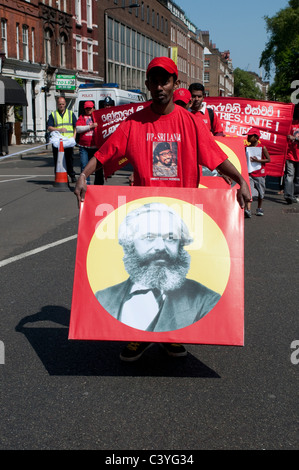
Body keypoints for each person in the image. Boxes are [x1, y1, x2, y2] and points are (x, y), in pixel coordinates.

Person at [74, 56, 251, 361]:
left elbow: (215, 157)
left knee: (175, 275)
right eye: (154, 81)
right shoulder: (134, 123)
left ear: (175, 84)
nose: (159, 87)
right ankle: (140, 336)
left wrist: (241, 181)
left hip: (181, 213)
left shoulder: (191, 122)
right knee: (145, 272)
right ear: (147, 85)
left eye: (165, 80)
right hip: (146, 211)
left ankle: (172, 333)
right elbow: (107, 152)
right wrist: (84, 174)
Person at [96, 203, 221, 335]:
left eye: (171, 238)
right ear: (130, 244)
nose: (161, 246)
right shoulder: (103, 298)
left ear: (181, 244)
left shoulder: (206, 300)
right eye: (149, 237)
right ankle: (137, 341)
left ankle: (172, 341)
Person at [47, 96, 77, 183]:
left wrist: (74, 137)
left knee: (69, 159)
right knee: (57, 160)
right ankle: (58, 177)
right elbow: (49, 127)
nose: (61, 105)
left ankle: (72, 175)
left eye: (63, 104)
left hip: (68, 141)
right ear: (57, 104)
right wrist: (59, 129)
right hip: (58, 141)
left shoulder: (70, 114)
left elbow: (76, 126)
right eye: (59, 104)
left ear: (65, 104)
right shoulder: (53, 114)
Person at [244, 127, 271, 218]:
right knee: (249, 191)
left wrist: (258, 160)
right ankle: (248, 209)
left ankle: (259, 208)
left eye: (249, 136)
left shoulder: (262, 148)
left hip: (260, 174)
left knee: (261, 192)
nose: (247, 138)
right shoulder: (246, 148)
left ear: (256, 137)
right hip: (249, 173)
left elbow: (268, 159)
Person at [76, 101, 104, 186]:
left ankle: (98, 185)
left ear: (93, 108)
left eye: (90, 108)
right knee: (84, 166)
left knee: (98, 167)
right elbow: (78, 129)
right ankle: (85, 184)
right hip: (84, 147)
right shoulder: (82, 117)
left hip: (95, 147)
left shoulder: (98, 116)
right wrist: (90, 126)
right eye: (87, 109)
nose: (88, 110)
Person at [284, 105, 299, 204]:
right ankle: (288, 195)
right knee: (290, 175)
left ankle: (296, 195)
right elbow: (285, 135)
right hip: (290, 154)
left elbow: (292, 137)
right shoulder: (290, 124)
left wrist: (295, 138)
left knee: (297, 177)